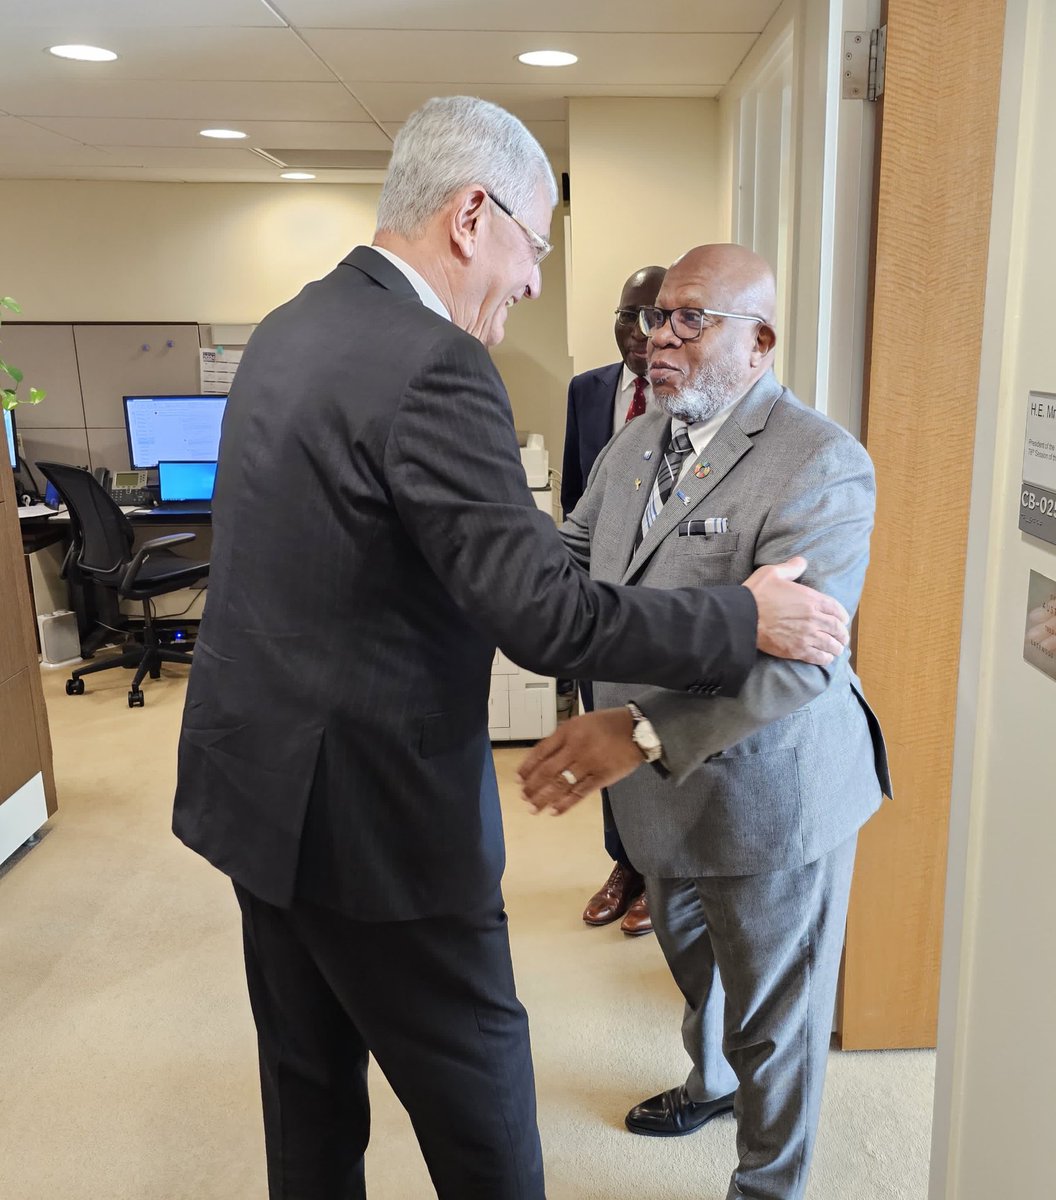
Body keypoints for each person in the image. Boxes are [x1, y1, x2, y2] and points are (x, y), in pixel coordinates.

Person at [172, 98, 851, 1200]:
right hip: (377, 815)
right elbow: (546, 605)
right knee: (484, 1112)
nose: (535, 279)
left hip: (262, 790)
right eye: (533, 244)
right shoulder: (441, 366)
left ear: (759, 338)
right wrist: (741, 616)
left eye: (695, 319)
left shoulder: (294, 326)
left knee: (308, 1091)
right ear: (472, 216)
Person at [520, 243, 892, 1200]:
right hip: (651, 797)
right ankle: (710, 1081)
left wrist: (636, 730)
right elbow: (568, 559)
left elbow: (796, 665)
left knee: (776, 1018)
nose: (660, 340)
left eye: (691, 319)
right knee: (697, 969)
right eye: (655, 320)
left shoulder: (821, 463)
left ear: (759, 341)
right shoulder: (638, 441)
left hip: (768, 796)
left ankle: (769, 1184)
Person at [561, 265, 666, 937]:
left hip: (664, 602)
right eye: (628, 314)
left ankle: (661, 875)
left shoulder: (685, 392)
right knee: (605, 726)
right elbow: (578, 492)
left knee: (656, 734)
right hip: (600, 596)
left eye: (654, 315)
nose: (638, 330)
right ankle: (623, 864)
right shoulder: (588, 390)